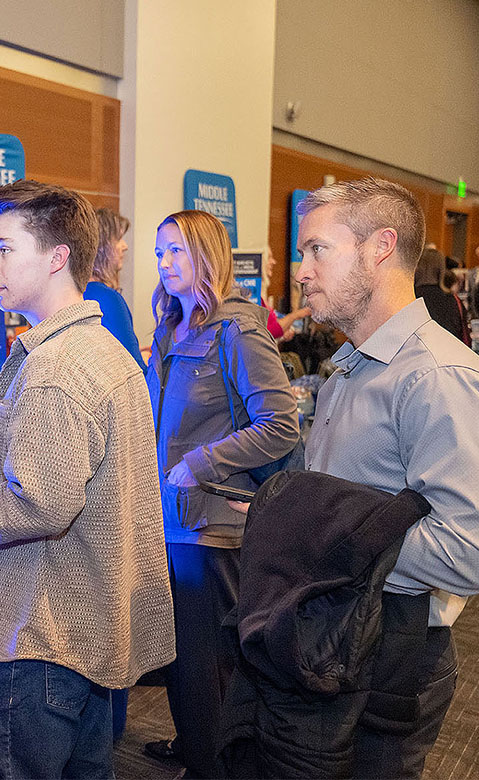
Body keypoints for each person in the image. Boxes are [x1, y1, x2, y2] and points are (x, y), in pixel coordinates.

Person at [0, 180, 174, 780]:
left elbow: (37, 507)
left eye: (3, 249)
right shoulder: (104, 349)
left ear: (57, 256)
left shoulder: (52, 369)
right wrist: (7, 447)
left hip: (39, 638)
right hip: (90, 630)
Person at [295, 177, 479, 778]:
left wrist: (324, 531)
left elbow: (474, 553)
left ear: (379, 248)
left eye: (317, 249)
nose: (301, 270)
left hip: (391, 652)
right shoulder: (351, 367)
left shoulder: (440, 378)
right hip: (338, 635)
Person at [142, 210, 299, 777]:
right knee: (184, 656)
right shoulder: (169, 327)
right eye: (160, 251)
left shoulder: (238, 330)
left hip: (215, 524)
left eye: (178, 250)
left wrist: (203, 461)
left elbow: (282, 425)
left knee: (212, 664)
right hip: (172, 519)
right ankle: (195, 745)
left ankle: (216, 764)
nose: (164, 262)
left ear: (208, 254)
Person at [82, 208, 144, 366]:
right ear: (102, 246)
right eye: (119, 239)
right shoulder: (107, 299)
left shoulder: (76, 292)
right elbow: (133, 369)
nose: (125, 246)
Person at [415, 247, 470, 344]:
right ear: (442, 268)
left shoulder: (409, 298)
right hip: (448, 354)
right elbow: (463, 334)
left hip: (416, 354)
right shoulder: (453, 300)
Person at [260, 248, 310, 342]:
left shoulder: (261, 294)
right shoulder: (255, 297)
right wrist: (295, 315)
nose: (273, 262)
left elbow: (273, 327)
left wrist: (283, 331)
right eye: (269, 258)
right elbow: (270, 332)